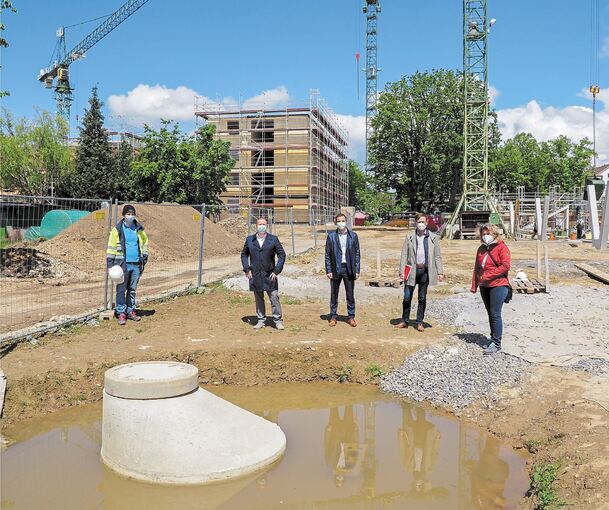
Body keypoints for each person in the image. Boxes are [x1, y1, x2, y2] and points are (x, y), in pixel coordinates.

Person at [396, 213, 444, 332]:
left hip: (425, 271)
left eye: (423, 222)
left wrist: (440, 272)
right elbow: (404, 255)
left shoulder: (433, 238)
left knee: (422, 297)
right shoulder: (410, 237)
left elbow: (437, 256)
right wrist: (401, 271)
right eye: (419, 222)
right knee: (407, 297)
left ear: (427, 223)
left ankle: (419, 322)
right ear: (416, 223)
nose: (421, 224)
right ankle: (404, 320)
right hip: (411, 270)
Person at [470, 223, 511, 355]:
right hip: (484, 286)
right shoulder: (481, 249)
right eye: (484, 234)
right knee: (490, 314)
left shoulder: (501, 247)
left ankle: (497, 343)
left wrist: (488, 276)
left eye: (488, 233)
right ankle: (493, 338)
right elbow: (477, 267)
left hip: (498, 285)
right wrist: (474, 285)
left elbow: (505, 266)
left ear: (495, 234)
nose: (486, 236)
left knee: (495, 314)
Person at [106, 204, 148, 325]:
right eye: (128, 214)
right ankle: (121, 312)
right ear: (123, 215)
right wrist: (110, 265)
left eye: (132, 214)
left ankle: (131, 311)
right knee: (121, 290)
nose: (130, 216)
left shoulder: (139, 229)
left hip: (136, 264)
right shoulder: (117, 230)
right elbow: (111, 248)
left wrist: (144, 256)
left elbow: (145, 242)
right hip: (121, 265)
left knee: (132, 290)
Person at [241, 217, 286, 330]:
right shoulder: (250, 240)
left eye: (264, 224)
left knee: (274, 297)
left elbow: (282, 255)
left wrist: (276, 271)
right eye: (259, 224)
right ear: (256, 226)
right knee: (259, 298)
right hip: (255, 274)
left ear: (267, 226)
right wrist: (247, 269)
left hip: (269, 274)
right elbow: (244, 254)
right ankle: (261, 320)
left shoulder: (273, 239)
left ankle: (277, 320)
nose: (261, 226)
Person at [325, 213, 361, 327]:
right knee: (334, 294)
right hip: (336, 268)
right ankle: (333, 316)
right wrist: (328, 270)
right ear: (336, 223)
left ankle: (351, 317)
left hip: (348, 268)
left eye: (343, 221)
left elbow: (357, 253)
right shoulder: (331, 236)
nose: (341, 223)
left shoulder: (353, 236)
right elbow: (327, 254)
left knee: (350, 294)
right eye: (339, 221)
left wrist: (357, 269)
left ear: (346, 222)